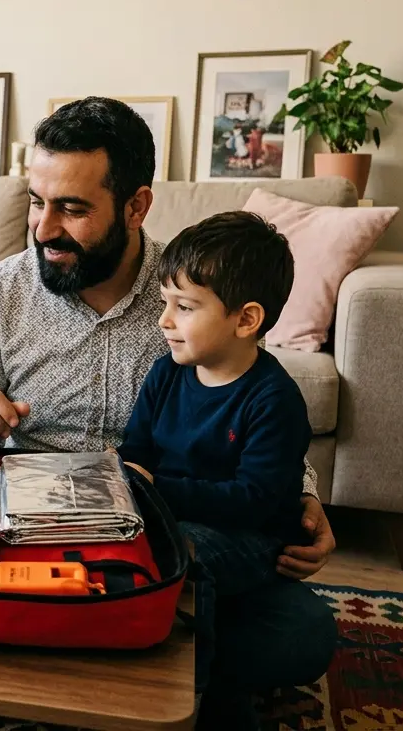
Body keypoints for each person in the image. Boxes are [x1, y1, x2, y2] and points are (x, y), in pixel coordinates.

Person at [0, 97, 337, 729]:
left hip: (162, 535)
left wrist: (303, 496)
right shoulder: (1, 291)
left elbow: (256, 397)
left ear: (135, 206)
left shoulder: (192, 297)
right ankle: (119, 646)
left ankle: (82, 652)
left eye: (72, 208)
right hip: (31, 528)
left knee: (304, 633)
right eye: (36, 203)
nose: (44, 229)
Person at [114, 211, 314, 717]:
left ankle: (195, 700)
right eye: (165, 303)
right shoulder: (166, 374)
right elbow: (134, 451)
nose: (164, 320)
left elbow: (255, 500)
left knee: (186, 555)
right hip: (175, 514)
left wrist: (157, 490)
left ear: (246, 320)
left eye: (184, 307)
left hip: (253, 539)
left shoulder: (274, 399)